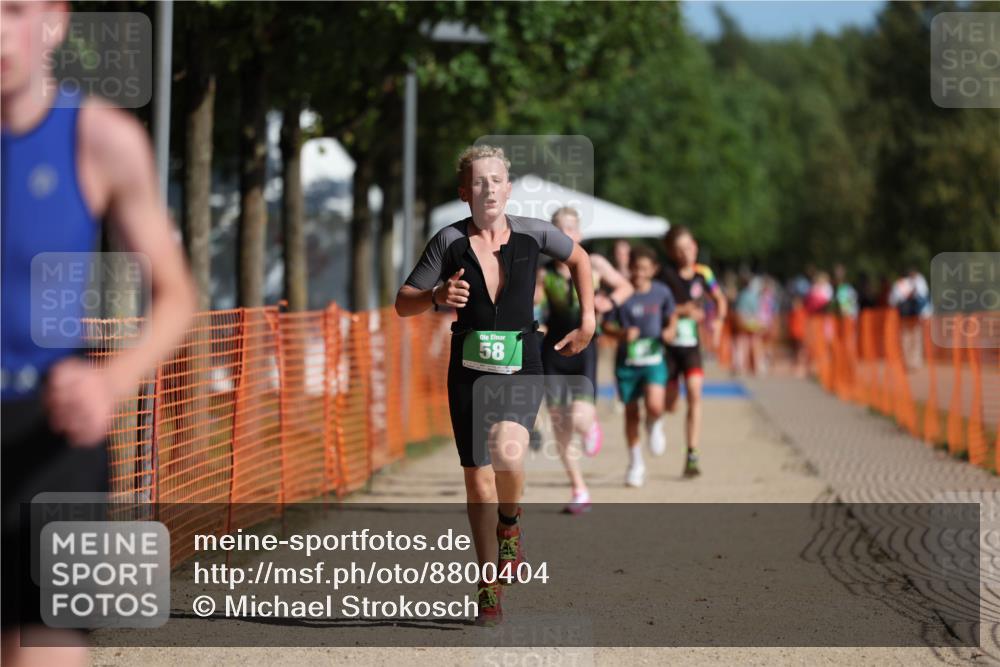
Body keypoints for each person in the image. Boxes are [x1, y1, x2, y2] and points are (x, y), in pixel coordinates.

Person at [1, 2, 198, 665]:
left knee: (46, 650)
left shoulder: (100, 139)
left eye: (13, 11)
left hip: (58, 435)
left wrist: (111, 380)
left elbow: (176, 295)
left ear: (53, 21)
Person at [395, 145, 594, 626]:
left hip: (523, 359)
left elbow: (581, 259)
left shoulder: (533, 233)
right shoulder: (448, 242)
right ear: (466, 192)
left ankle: (512, 523)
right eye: (479, 182)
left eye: (497, 179)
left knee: (508, 453)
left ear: (508, 188)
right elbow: (404, 302)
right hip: (468, 369)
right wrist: (437, 295)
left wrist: (587, 319)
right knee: (478, 480)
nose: (489, 188)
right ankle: (487, 588)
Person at [540, 207, 632, 513]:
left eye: (569, 229)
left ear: (579, 234)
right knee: (559, 423)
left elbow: (625, 285)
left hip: (583, 349)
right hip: (552, 351)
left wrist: (609, 301)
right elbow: (533, 303)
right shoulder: (544, 272)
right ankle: (579, 489)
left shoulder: (593, 264)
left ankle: (591, 427)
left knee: (578, 417)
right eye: (556, 230)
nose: (563, 236)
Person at [603, 245, 677, 487]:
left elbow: (672, 316)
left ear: (654, 270)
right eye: (635, 268)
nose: (639, 274)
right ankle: (636, 464)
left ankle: (655, 423)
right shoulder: (621, 293)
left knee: (656, 405)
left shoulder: (662, 292)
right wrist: (623, 333)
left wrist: (670, 330)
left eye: (645, 269)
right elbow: (606, 326)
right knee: (631, 413)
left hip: (654, 359)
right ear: (629, 268)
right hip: (627, 362)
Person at [659, 225, 727, 478]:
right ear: (673, 253)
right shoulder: (666, 276)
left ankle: (692, 453)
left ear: (696, 246)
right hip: (669, 347)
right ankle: (658, 420)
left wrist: (718, 322)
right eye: (680, 250)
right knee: (670, 405)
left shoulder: (704, 273)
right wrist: (681, 310)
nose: (686, 254)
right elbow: (658, 305)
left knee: (696, 395)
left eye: (689, 247)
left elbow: (720, 299)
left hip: (691, 347)